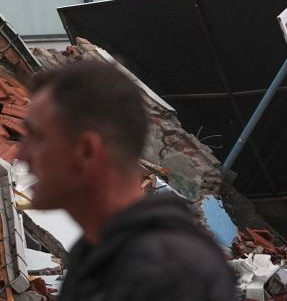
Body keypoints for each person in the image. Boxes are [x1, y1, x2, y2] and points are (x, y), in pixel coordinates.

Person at [21, 60, 237, 300]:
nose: (22, 155)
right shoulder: (97, 258)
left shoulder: (170, 275)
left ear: (87, 151)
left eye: (38, 138)